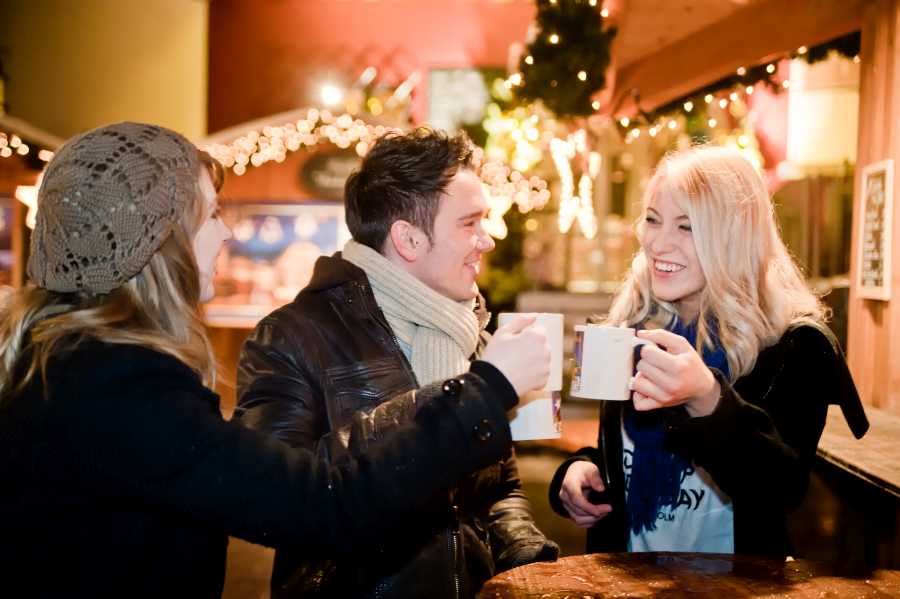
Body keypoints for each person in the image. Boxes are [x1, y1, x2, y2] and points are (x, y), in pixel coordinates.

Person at [0, 122, 552, 598]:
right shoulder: (116, 388)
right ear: (161, 242)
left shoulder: (65, 368)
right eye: (211, 213)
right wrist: (483, 389)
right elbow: (317, 501)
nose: (226, 231)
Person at [236, 127, 559, 598]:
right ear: (408, 239)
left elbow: (495, 486)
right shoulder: (291, 335)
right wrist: (462, 400)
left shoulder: (466, 329)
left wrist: (526, 558)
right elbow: (273, 500)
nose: (486, 241)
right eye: (470, 223)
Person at [549, 145, 868, 557]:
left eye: (687, 227)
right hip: (628, 579)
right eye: (652, 220)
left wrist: (709, 401)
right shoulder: (633, 325)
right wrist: (578, 471)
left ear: (734, 237)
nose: (658, 244)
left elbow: (783, 488)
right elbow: (619, 453)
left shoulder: (794, 345)